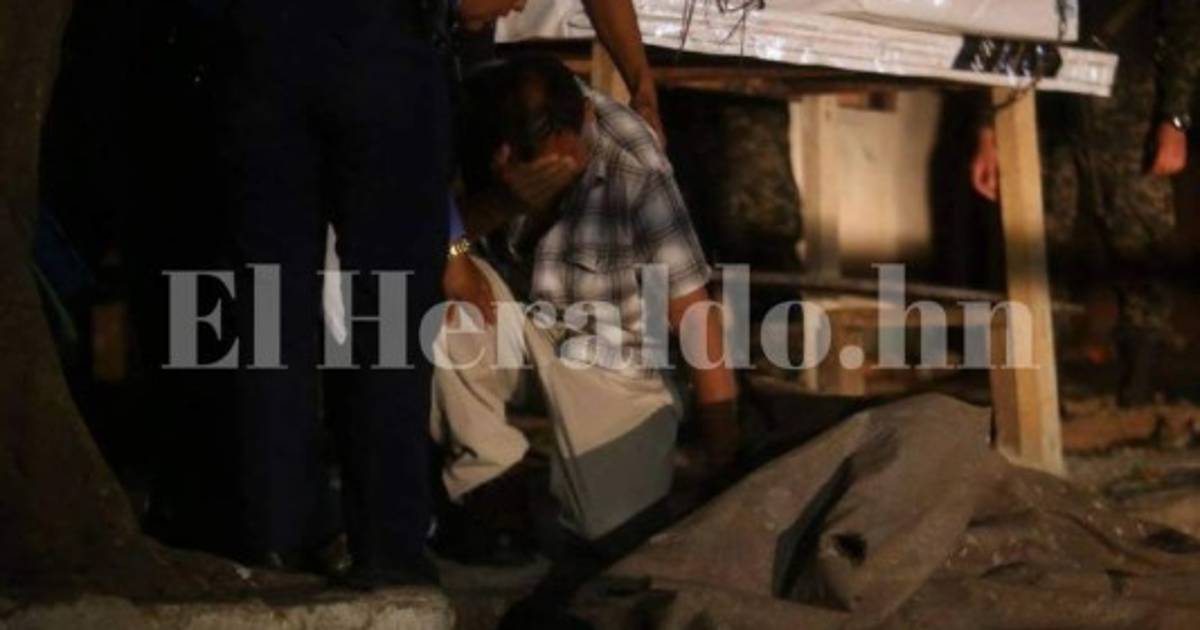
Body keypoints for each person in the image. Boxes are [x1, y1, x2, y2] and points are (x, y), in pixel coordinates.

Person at [429, 54, 738, 615]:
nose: (513, 164)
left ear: (584, 126)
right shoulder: (471, 116)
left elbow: (695, 314)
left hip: (610, 353)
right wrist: (503, 203)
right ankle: (491, 494)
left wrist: (727, 466)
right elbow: (426, 226)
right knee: (435, 299)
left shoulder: (634, 164)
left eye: (554, 161)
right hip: (509, 318)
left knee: (619, 548)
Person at [971, 0, 1200, 406]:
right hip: (1042, 102)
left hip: (1129, 102)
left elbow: (1184, 27)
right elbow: (994, 22)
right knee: (1037, 240)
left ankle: (1139, 383)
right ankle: (1041, 385)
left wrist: (1175, 119)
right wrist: (988, 129)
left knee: (1140, 239)